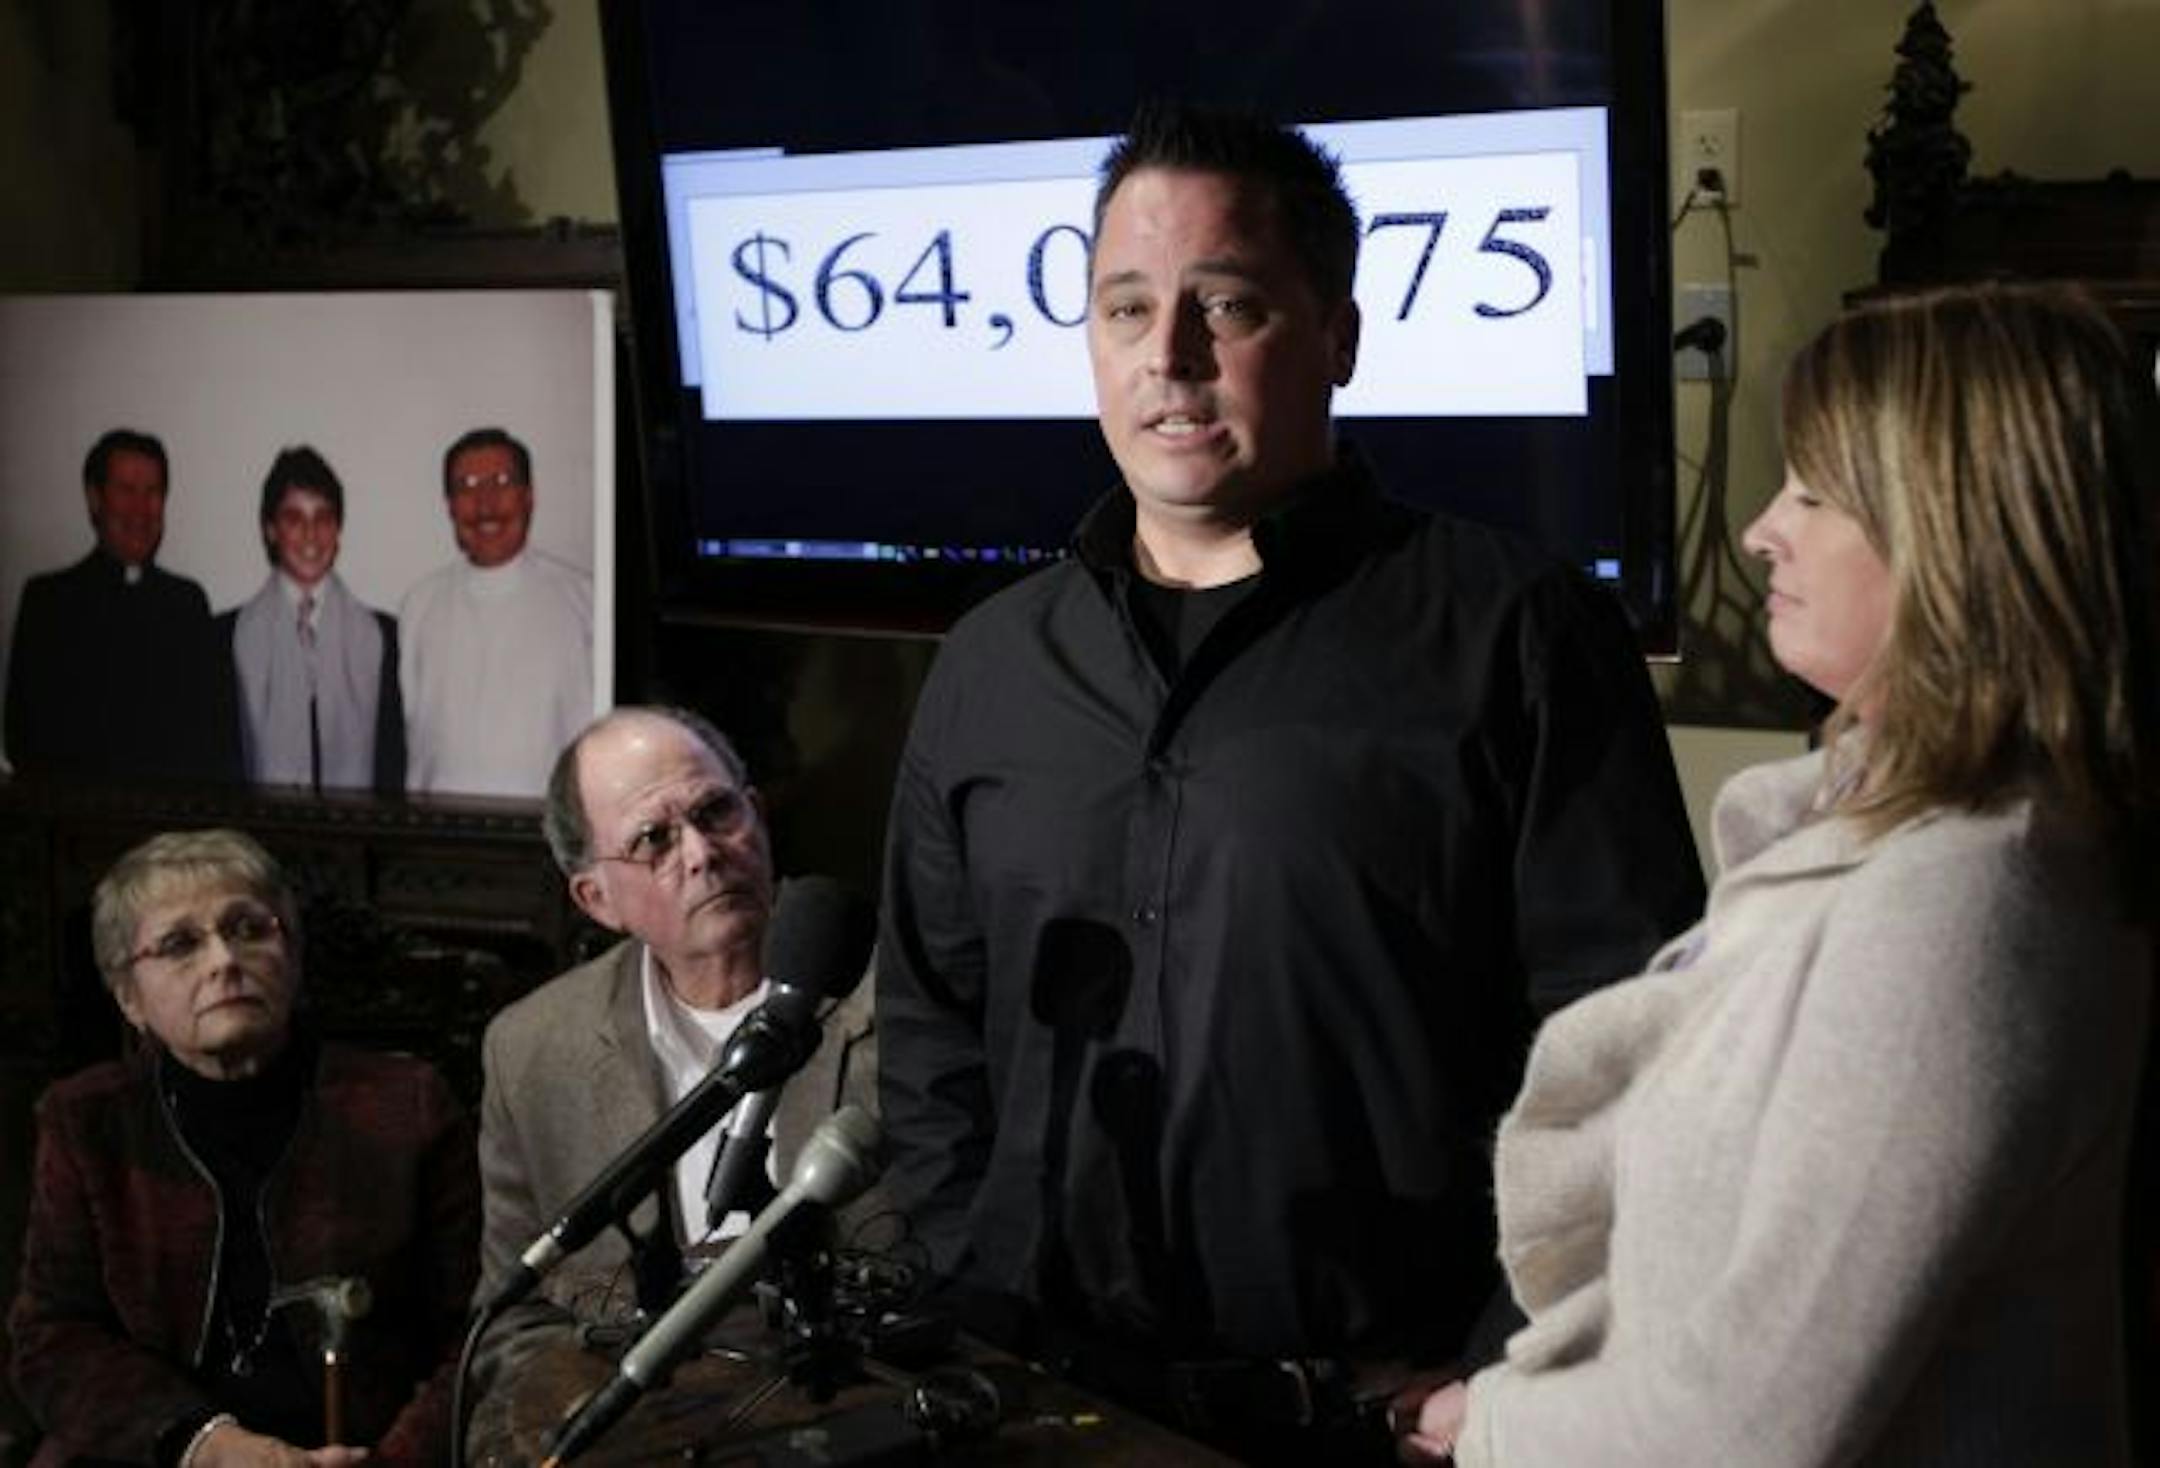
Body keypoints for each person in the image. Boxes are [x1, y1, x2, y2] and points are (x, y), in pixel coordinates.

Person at [876, 102, 1703, 1461]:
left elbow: (1629, 1048)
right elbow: (931, 1028)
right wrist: (971, 1285)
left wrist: (1508, 1370)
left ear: (1341, 337)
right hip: (1038, 1404)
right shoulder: (989, 666)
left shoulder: (1515, 632)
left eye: (1229, 307)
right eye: (1125, 308)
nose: (1170, 359)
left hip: (1384, 1418)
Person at [1404, 282, 2160, 1465]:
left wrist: (1491, 1424)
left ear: (1953, 530)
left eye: (1811, 491)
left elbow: (1747, 1426)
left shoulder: (1959, 910)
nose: (1759, 529)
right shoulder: (1896, 851)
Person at [466, 707, 878, 1450]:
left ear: (756, 815)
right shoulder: (530, 1051)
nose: (701, 853)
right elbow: (512, 1327)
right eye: (653, 839)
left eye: (717, 812)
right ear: (596, 898)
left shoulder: (896, 1006)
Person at [7, 828, 480, 1466]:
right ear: (129, 997)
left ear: (294, 955)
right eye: (180, 944)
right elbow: (53, 1339)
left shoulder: (409, 1105)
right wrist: (207, 1445)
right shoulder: (86, 1121)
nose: (224, 960)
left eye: (249, 929)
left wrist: (391, 1461)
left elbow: (476, 1332)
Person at [5, 428, 239, 783]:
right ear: (95, 498)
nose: (141, 509)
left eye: (153, 493)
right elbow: (25, 741)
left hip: (168, 828)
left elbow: (206, 740)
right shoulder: (48, 603)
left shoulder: (186, 602)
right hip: (77, 826)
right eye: (126, 491)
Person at [397, 427, 592, 798]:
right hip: (438, 836)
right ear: (449, 504)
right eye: (466, 485)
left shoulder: (584, 601)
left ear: (528, 496)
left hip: (545, 838)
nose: (485, 503)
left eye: (501, 481)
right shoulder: (419, 605)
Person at [221, 446, 406, 795]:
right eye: (293, 518)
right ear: (270, 530)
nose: (310, 534)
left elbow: (393, 772)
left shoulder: (384, 639)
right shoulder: (226, 639)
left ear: (338, 530)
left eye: (323, 517)